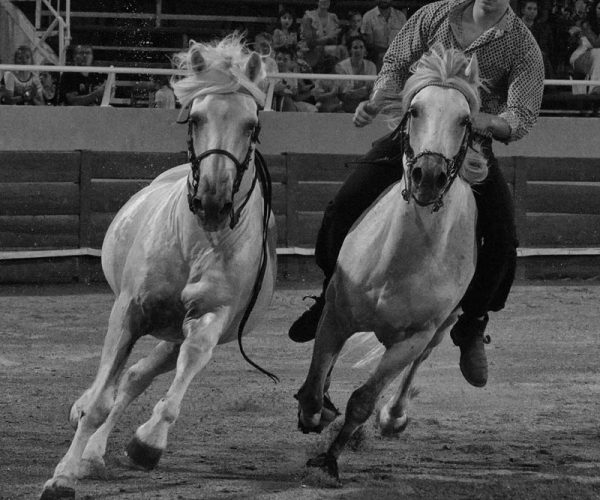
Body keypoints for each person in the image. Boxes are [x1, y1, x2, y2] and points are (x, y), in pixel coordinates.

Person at [288, 0, 545, 389]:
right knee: (342, 207)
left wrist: (480, 120)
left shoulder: (523, 45)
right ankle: (329, 295)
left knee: (503, 239)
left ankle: (471, 323)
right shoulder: (434, 14)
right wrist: (377, 101)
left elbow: (522, 115)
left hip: (469, 145)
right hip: (414, 134)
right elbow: (393, 64)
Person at [361, 0, 407, 70]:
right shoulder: (368, 17)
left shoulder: (401, 16)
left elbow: (405, 39)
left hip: (397, 54)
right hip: (376, 55)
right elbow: (369, 43)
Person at [336, 35, 377, 112]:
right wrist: (363, 90)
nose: (358, 50)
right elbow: (344, 93)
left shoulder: (371, 66)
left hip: (366, 102)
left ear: (365, 50)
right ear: (350, 50)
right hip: (347, 103)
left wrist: (358, 92)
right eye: (355, 47)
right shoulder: (341, 66)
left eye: (361, 47)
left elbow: (371, 89)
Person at [300, 0, 344, 68]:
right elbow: (309, 43)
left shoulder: (333, 17)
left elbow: (334, 42)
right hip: (309, 51)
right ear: (317, 1)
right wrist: (329, 36)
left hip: (327, 52)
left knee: (341, 49)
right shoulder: (308, 16)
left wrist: (335, 36)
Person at [569, 0, 600, 92]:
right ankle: (595, 90)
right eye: (599, 8)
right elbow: (597, 44)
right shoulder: (585, 25)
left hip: (595, 60)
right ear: (594, 9)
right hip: (580, 56)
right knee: (598, 52)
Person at [521, 0, 555, 78]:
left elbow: (544, 47)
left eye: (535, 9)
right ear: (523, 10)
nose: (532, 11)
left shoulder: (541, 29)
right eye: (529, 9)